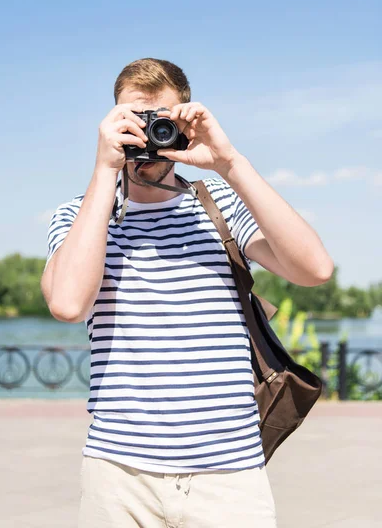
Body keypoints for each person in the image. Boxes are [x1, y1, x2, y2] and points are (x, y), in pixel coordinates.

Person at [41, 58, 334, 528]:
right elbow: (68, 304)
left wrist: (230, 163)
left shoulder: (221, 207)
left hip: (230, 475)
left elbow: (315, 269)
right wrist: (103, 171)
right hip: (118, 474)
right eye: (136, 122)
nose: (149, 135)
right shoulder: (80, 216)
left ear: (185, 122)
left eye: (163, 121)